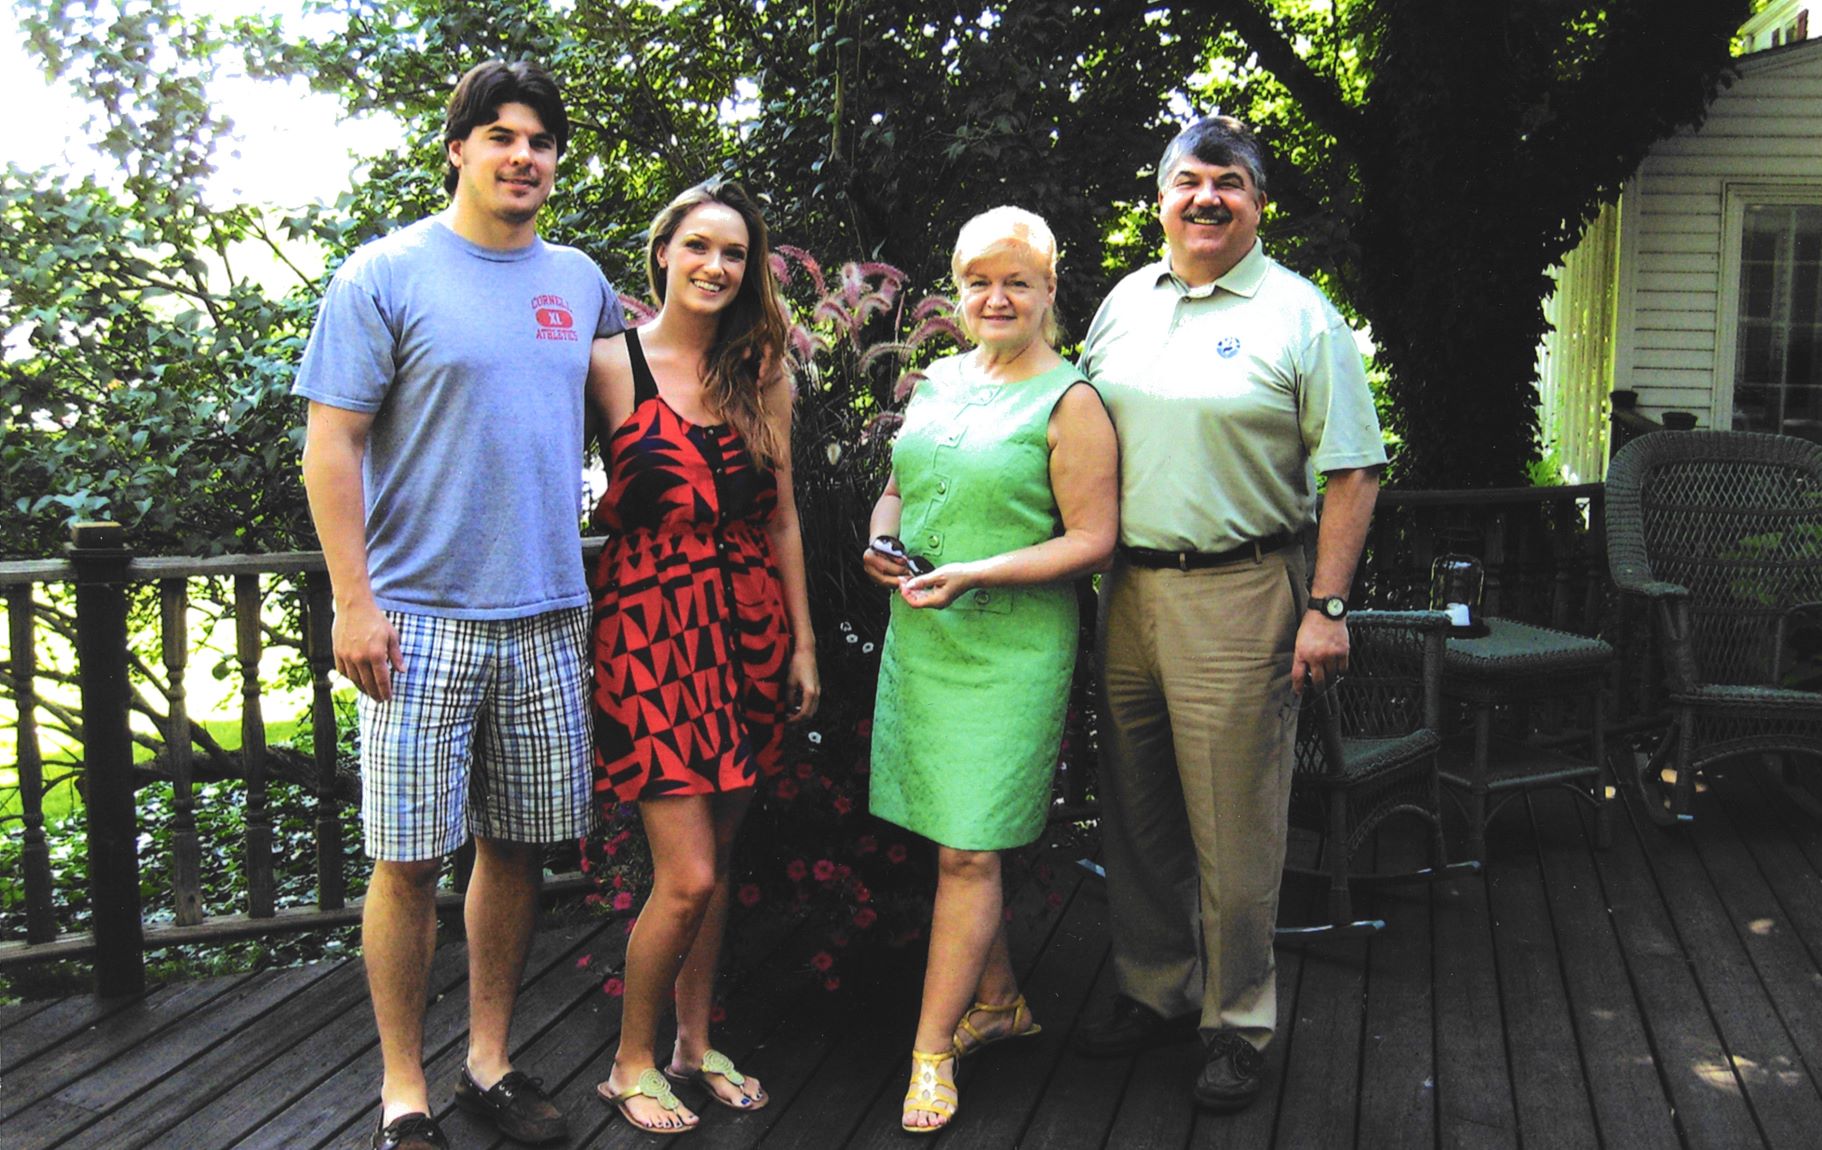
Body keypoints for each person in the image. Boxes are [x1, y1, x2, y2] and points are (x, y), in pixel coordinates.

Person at [296, 61, 623, 1150]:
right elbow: (330, 445)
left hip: (544, 613)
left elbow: (640, 433)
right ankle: (404, 1092)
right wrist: (354, 600)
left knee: (521, 846)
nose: (522, 155)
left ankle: (488, 1059)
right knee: (405, 859)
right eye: (499, 136)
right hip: (415, 620)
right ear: (458, 148)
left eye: (539, 140)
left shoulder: (580, 281)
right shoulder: (384, 274)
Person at [1075, 115, 1386, 1114]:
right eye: (1188, 181)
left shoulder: (1300, 315)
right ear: (1159, 198)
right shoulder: (1123, 302)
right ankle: (1154, 991)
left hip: (1244, 590)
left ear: (1257, 202)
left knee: (1235, 828)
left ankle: (1236, 1019)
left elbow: (1353, 468)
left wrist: (1326, 607)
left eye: (1230, 182)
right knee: (1139, 809)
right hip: (1127, 590)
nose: (1206, 198)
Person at [863, 206, 1119, 1134]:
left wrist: (974, 571)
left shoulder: (1071, 399)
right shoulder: (936, 378)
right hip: (925, 634)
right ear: (957, 290)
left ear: (1052, 289)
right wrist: (881, 541)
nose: (996, 296)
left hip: (1009, 644)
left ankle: (932, 1052)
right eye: (978, 280)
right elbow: (900, 484)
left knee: (972, 847)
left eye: (1018, 279)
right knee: (954, 842)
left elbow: (1094, 540)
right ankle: (1001, 998)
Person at [586, 179, 820, 1136]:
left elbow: (784, 513)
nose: (717, 266)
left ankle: (692, 1043)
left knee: (718, 858)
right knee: (684, 873)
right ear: (664, 253)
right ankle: (628, 1061)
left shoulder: (760, 370)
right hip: (648, 633)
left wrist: (804, 642)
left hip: (748, 628)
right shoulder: (607, 363)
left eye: (735, 252)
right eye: (699, 247)